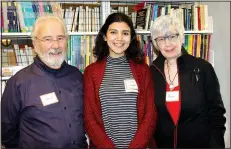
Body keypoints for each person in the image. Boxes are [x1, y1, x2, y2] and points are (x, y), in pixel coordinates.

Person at [1, 14, 87, 149]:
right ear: (35, 44)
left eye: (60, 38)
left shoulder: (77, 76)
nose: (56, 45)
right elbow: (6, 131)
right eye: (48, 39)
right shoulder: (18, 83)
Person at [149, 15, 226, 148]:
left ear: (181, 37)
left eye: (172, 36)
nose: (167, 44)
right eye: (161, 39)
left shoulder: (202, 68)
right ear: (156, 43)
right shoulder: (152, 72)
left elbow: (216, 114)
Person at [84, 12, 157, 148]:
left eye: (125, 33)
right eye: (113, 32)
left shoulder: (143, 70)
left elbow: (150, 114)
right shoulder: (91, 72)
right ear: (105, 36)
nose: (119, 38)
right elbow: (89, 118)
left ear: (131, 37)